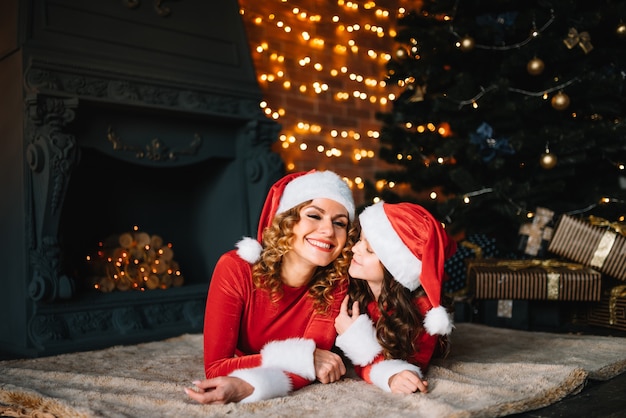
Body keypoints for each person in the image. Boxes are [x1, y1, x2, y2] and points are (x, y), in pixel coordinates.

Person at [185, 170, 357, 404]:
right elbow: (216, 368)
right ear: (287, 222)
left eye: (340, 223)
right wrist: (303, 359)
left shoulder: (335, 283)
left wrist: (249, 385)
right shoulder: (236, 268)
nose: (329, 231)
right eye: (314, 216)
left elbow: (316, 364)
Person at [334, 201, 457, 394]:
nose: (355, 249)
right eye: (360, 240)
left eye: (370, 250)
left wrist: (355, 339)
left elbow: (406, 370)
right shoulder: (352, 288)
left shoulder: (423, 311)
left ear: (394, 268)